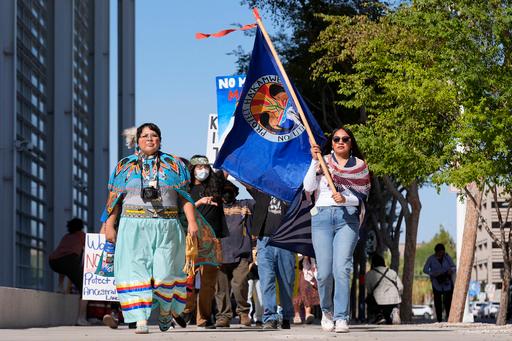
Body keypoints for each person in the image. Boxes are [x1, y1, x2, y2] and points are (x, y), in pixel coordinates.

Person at [101, 123, 218, 334]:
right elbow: (114, 200)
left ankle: (166, 310)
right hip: (132, 226)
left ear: (160, 140)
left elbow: (185, 197)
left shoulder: (174, 165)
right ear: (137, 141)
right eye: (144, 135)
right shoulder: (124, 166)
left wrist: (192, 222)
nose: (149, 139)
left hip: (167, 226)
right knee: (135, 271)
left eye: (153, 135)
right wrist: (109, 225)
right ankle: (140, 320)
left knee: (166, 272)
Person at [304, 127, 371, 333]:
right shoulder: (323, 161)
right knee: (323, 273)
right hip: (322, 218)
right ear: (331, 143)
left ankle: (342, 317)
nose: (340, 142)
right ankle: (327, 312)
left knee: (342, 268)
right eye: (336, 139)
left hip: (347, 220)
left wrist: (346, 198)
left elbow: (363, 195)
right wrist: (315, 162)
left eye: (345, 139)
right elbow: (308, 187)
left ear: (351, 143)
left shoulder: (360, 166)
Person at [179, 155, 225, 329]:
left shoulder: (215, 186)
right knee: (188, 277)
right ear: (192, 169)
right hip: (191, 239)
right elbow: (181, 214)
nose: (203, 170)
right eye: (198, 167)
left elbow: (226, 168)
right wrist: (197, 203)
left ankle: (203, 318)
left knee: (208, 281)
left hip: (212, 240)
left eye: (205, 167)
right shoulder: (185, 190)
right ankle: (186, 311)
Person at [247, 187, 295, 330]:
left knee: (286, 282)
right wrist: (227, 165)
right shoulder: (262, 189)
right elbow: (246, 179)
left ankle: (286, 316)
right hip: (264, 241)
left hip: (285, 240)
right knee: (266, 280)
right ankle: (270, 317)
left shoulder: (291, 190)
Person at [214, 180, 253, 328]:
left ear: (236, 193)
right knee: (221, 289)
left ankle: (243, 313)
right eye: (224, 191)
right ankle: (223, 316)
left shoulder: (245, 205)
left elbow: (258, 196)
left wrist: (243, 179)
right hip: (219, 254)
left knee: (240, 285)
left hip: (241, 253)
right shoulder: (215, 208)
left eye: (230, 190)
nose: (227, 193)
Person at [49, 217, 88, 326]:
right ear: (81, 227)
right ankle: (81, 318)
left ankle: (60, 286)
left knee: (64, 266)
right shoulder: (81, 235)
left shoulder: (66, 236)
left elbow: (61, 254)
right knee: (85, 290)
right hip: (69, 260)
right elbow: (90, 248)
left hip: (53, 261)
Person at [365, 254, 403, 325]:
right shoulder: (392, 272)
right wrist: (399, 295)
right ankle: (394, 311)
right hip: (394, 299)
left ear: (373, 263)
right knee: (391, 311)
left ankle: (379, 316)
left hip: (378, 301)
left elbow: (369, 290)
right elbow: (400, 287)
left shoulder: (369, 274)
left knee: (369, 299)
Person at [423, 243, 456, 322]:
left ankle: (449, 318)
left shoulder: (447, 257)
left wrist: (450, 271)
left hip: (447, 283)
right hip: (436, 283)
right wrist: (433, 273)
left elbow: (454, 267)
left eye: (442, 252)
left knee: (448, 301)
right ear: (436, 252)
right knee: (438, 302)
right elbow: (425, 270)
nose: (441, 254)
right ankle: (439, 319)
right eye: (440, 253)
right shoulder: (431, 258)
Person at [293, 256, 319, 324]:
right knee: (296, 290)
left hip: (307, 269)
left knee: (307, 289)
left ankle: (308, 313)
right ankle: (296, 314)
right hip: (296, 268)